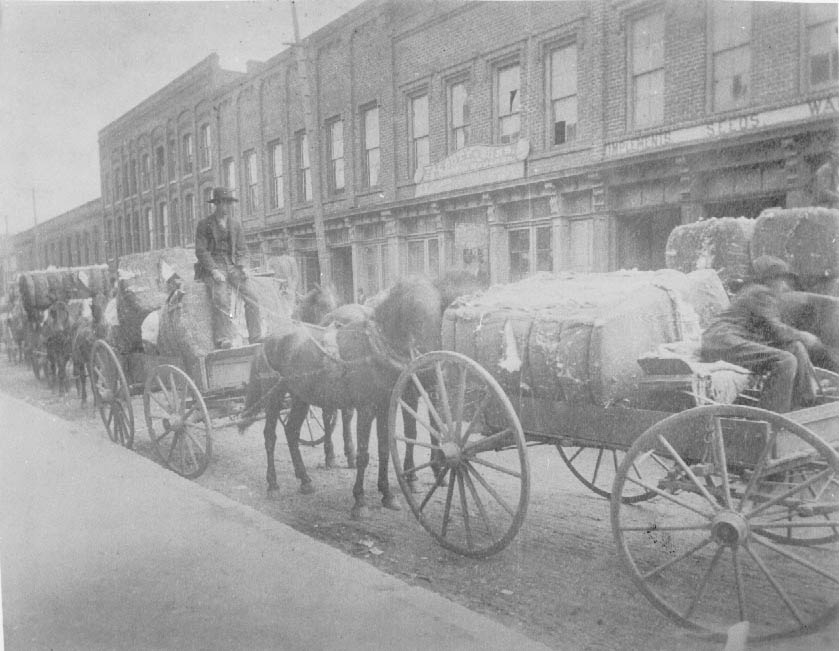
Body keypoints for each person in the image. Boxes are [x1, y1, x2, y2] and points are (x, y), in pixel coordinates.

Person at [701, 256, 822, 412]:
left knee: (794, 348)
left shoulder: (752, 292)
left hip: (723, 341)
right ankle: (773, 417)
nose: (783, 286)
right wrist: (805, 336)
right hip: (723, 341)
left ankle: (804, 402)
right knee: (786, 360)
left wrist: (798, 340)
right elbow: (777, 331)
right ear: (770, 280)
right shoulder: (761, 293)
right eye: (781, 280)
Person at [194, 187, 262, 348]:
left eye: (228, 203)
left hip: (232, 266)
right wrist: (214, 270)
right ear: (216, 204)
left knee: (253, 297)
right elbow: (201, 251)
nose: (226, 206)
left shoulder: (235, 225)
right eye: (223, 203)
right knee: (221, 298)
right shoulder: (204, 225)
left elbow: (243, 250)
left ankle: (255, 336)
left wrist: (244, 266)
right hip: (214, 266)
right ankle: (223, 338)